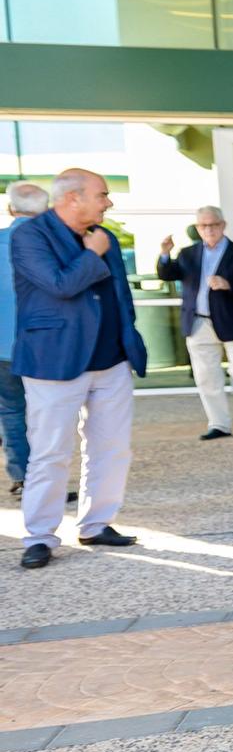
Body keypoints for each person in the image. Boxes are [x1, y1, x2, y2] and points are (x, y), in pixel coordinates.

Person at [11, 168, 149, 570]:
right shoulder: (30, 235)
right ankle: (39, 536)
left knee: (112, 447)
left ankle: (96, 523)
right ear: (72, 198)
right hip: (54, 361)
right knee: (51, 452)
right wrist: (93, 254)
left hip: (111, 361)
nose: (108, 202)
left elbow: (119, 294)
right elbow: (59, 284)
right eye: (102, 194)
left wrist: (129, 340)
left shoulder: (102, 235)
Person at [157, 206, 233, 441]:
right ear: (198, 228)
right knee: (207, 377)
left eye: (213, 225)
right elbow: (168, 274)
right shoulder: (188, 254)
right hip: (198, 323)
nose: (209, 230)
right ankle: (219, 424)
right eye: (203, 226)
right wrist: (165, 254)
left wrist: (229, 285)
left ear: (223, 225)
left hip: (231, 320)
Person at [1, 181, 50, 496]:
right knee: (48, 413)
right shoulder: (53, 247)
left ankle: (24, 477)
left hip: (1, 350)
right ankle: (46, 480)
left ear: (9, 209)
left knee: (11, 411)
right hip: (45, 347)